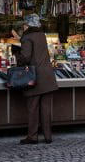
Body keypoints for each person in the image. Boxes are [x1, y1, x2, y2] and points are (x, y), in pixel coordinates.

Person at [17, 14, 59, 144]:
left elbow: (25, 58)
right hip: (47, 76)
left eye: (24, 24)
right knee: (46, 108)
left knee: (33, 108)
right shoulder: (42, 35)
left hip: (35, 77)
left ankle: (32, 136)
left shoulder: (27, 37)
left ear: (27, 25)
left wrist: (16, 55)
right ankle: (48, 136)